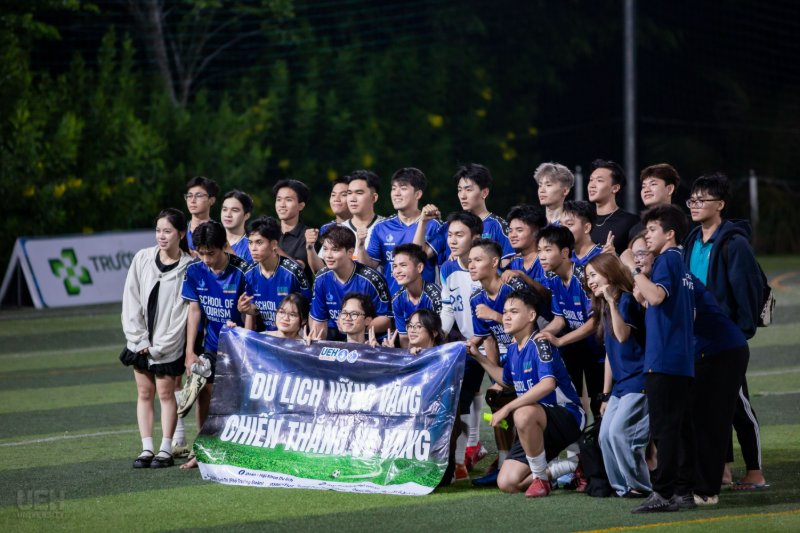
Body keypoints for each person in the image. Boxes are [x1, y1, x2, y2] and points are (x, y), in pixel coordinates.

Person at [632, 233, 751, 505]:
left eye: (643, 253)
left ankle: (705, 488)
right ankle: (690, 488)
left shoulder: (669, 266)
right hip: (705, 349)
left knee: (711, 419)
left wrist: (634, 273)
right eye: (635, 254)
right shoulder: (674, 268)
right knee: (692, 421)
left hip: (721, 348)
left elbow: (662, 302)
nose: (639, 259)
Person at [682, 172, 766, 490]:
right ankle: (719, 471)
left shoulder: (734, 243)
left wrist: (739, 333)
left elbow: (747, 291)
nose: (695, 205)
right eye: (692, 199)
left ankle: (755, 472)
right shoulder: (692, 240)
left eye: (702, 199)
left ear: (720, 204)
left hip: (726, 340)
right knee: (708, 407)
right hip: (698, 340)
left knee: (738, 405)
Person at [467, 289, 585, 498]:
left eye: (514, 312)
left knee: (521, 412)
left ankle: (540, 478)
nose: (507, 317)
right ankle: (570, 465)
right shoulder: (514, 349)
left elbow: (548, 384)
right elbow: (506, 380)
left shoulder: (540, 342)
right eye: (505, 312)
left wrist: (507, 408)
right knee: (507, 482)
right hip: (536, 422)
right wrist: (478, 357)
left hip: (567, 416)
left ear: (531, 316)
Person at [620, 205, 696, 513]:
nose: (647, 235)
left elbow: (656, 296)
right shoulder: (680, 262)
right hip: (680, 358)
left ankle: (663, 493)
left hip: (664, 358)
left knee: (664, 430)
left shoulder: (666, 259)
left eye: (653, 230)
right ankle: (683, 491)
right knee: (679, 428)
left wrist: (633, 268)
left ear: (670, 234)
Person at [122, 208, 193, 469]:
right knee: (144, 392)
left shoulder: (189, 267)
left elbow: (182, 314)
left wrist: (159, 347)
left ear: (181, 234)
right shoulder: (142, 258)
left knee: (166, 393)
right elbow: (130, 299)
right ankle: (146, 448)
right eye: (158, 230)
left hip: (167, 346)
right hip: (139, 343)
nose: (161, 236)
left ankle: (166, 448)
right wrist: (139, 339)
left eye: (167, 231)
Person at [180, 220, 248, 469]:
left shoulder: (243, 271)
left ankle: (236, 448)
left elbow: (252, 312)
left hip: (240, 346)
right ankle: (202, 448)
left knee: (236, 398)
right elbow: (194, 310)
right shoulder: (194, 270)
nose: (206, 259)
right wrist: (190, 351)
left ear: (224, 247)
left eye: (211, 253)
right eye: (201, 253)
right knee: (204, 391)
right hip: (212, 344)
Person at [584, 254, 651, 498]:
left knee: (619, 433)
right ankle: (622, 487)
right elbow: (610, 355)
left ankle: (640, 486)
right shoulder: (604, 306)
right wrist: (605, 395)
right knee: (604, 435)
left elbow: (622, 337)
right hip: (621, 385)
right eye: (587, 277)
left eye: (594, 275)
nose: (590, 281)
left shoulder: (625, 301)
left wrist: (612, 304)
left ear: (608, 273)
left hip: (638, 379)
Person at [466, 238, 529, 486]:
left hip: (529, 353)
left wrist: (494, 315)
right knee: (495, 397)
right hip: (505, 357)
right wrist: (495, 379)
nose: (471, 265)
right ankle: (503, 462)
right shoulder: (476, 298)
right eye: (469, 261)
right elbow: (489, 338)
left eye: (477, 260)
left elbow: (529, 325)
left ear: (494, 262)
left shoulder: (512, 288)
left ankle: (543, 463)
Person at [438, 211, 488, 477]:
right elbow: (448, 308)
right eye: (450, 235)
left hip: (497, 344)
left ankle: (511, 458)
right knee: (460, 400)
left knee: (503, 400)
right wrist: (437, 338)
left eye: (460, 234)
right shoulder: (447, 268)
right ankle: (459, 461)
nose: (453, 240)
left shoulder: (489, 265)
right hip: (470, 345)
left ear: (475, 237)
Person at [535, 226, 604, 418]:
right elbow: (560, 319)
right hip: (577, 347)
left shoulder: (583, 276)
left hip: (600, 349)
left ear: (565, 252)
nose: (541, 256)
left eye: (547, 250)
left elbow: (595, 321)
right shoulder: (553, 279)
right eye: (539, 250)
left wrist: (560, 341)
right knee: (573, 399)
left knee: (599, 404)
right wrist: (538, 336)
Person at [415, 163, 514, 267]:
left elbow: (506, 269)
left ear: (484, 193)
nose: (462, 196)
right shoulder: (449, 226)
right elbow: (418, 256)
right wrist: (422, 222)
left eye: (468, 189)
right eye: (459, 190)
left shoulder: (498, 226)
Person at [361, 167, 440, 295]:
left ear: (418, 194)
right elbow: (369, 267)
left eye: (403, 188)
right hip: (391, 301)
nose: (396, 193)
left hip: (424, 302)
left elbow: (417, 257)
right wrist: (360, 246)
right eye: (393, 188)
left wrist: (422, 222)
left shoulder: (434, 225)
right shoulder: (381, 227)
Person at [309, 226, 391, 340]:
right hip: (335, 336)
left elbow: (388, 320)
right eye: (325, 249)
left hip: (371, 340)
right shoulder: (321, 278)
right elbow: (319, 320)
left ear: (350, 252)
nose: (328, 255)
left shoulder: (372, 279)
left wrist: (355, 326)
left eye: (335, 250)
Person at [238, 216, 312, 332]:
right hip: (266, 336)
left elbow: (309, 310)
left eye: (259, 242)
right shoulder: (249, 273)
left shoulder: (293, 272)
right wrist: (247, 309)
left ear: (273, 244)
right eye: (250, 243)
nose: (253, 248)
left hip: (293, 338)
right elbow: (254, 310)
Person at [391, 243, 442, 348]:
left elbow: (441, 337)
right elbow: (404, 339)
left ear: (419, 267)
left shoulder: (436, 297)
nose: (397, 271)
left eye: (403, 265)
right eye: (395, 266)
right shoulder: (397, 299)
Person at [587, 159, 639, 254]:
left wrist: (614, 256)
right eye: (591, 180)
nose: (591, 185)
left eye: (599, 180)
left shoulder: (631, 222)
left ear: (615, 188)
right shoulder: (583, 220)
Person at [305, 176, 352, 273]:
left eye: (343, 195)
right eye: (333, 195)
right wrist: (310, 247)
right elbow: (320, 271)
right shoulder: (326, 228)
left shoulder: (369, 227)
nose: (336, 199)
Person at [628, 163, 681, 240]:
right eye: (643, 186)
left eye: (653, 184)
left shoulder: (685, 223)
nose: (646, 190)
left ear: (669, 189)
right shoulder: (635, 230)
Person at [502, 204, 549, 285]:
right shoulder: (515, 263)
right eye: (510, 231)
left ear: (536, 232)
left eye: (519, 230)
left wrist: (522, 275)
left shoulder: (547, 260)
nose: (512, 235)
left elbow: (550, 292)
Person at [346, 170, 385, 262]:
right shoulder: (338, 229)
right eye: (349, 193)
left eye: (359, 193)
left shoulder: (388, 227)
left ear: (374, 198)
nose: (352, 199)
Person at [273, 179, 311, 272]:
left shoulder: (308, 235)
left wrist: (273, 248)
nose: (282, 205)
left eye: (288, 200)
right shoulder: (269, 231)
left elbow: (298, 267)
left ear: (301, 206)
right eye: (279, 199)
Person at [561, 200, 606, 277]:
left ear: (586, 228)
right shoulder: (563, 257)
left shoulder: (603, 254)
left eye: (569, 224)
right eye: (561, 225)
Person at [184, 176, 219, 253]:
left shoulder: (219, 232)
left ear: (211, 200)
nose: (192, 200)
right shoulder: (181, 231)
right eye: (189, 196)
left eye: (198, 195)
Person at [220, 189, 254, 263]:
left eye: (235, 210)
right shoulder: (212, 240)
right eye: (225, 209)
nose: (228, 215)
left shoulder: (252, 245)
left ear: (246, 215)